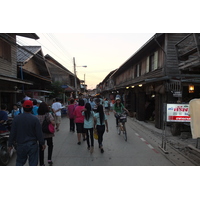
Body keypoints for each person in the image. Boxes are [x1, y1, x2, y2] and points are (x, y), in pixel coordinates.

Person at [8, 100, 45, 166]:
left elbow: (12, 132)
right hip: (32, 144)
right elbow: (39, 133)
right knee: (33, 163)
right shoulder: (35, 119)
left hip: (20, 144)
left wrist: (10, 144)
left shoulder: (16, 119)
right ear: (31, 108)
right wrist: (42, 143)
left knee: (19, 162)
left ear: (23, 107)